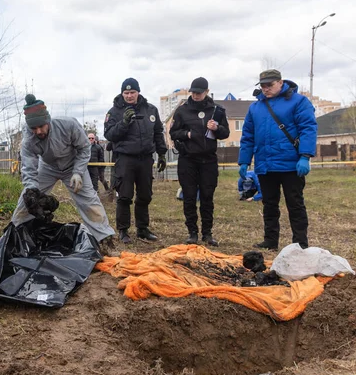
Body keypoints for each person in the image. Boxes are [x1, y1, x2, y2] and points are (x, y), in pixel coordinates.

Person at [11, 94, 115, 253]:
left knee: (89, 200)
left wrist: (78, 172)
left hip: (73, 165)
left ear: (48, 120)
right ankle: (15, 235)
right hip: (47, 167)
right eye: (34, 128)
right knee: (26, 200)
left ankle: (105, 239)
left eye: (41, 126)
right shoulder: (28, 139)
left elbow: (85, 148)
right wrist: (32, 190)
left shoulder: (68, 125)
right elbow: (29, 167)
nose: (38, 131)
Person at [238, 69, 317, 250]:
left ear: (280, 82)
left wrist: (305, 156)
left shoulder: (298, 102)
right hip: (265, 164)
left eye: (270, 85)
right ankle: (270, 241)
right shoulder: (255, 107)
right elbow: (248, 135)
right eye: (263, 85)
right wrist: (244, 160)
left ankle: (300, 243)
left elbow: (308, 128)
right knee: (269, 204)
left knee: (295, 204)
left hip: (291, 164)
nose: (266, 89)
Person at [104, 78, 167, 244]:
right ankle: (123, 230)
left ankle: (142, 229)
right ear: (122, 93)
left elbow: (158, 132)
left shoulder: (150, 110)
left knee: (145, 195)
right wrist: (124, 122)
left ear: (138, 92)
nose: (129, 96)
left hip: (145, 158)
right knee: (124, 196)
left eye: (132, 92)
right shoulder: (114, 112)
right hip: (125, 158)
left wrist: (161, 153)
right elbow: (109, 135)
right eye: (126, 93)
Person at [169, 77, 229, 246]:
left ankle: (207, 233)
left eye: (199, 93)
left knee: (207, 197)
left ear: (207, 92)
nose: (195, 95)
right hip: (188, 159)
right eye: (193, 92)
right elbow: (173, 132)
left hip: (208, 160)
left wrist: (216, 128)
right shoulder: (182, 110)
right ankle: (192, 232)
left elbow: (225, 133)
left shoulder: (217, 110)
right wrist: (187, 134)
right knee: (189, 197)